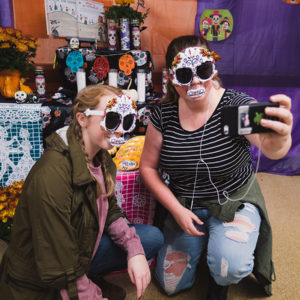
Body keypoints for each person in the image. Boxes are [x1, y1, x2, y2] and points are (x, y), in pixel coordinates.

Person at [140, 35, 293, 300]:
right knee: (170, 283)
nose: (196, 81)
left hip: (233, 199)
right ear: (172, 78)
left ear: (214, 67)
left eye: (203, 70)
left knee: (229, 267)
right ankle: (206, 245)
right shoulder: (162, 115)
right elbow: (148, 168)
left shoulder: (234, 106)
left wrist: (281, 139)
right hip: (186, 202)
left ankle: (219, 278)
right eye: (186, 74)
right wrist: (175, 210)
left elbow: (269, 145)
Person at [0, 84, 164, 300]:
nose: (121, 131)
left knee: (149, 239)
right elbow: (57, 263)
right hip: (39, 280)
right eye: (112, 118)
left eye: (127, 121)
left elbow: (110, 208)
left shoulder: (101, 157)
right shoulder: (52, 175)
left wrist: (135, 250)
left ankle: (89, 276)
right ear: (82, 119)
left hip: (75, 246)